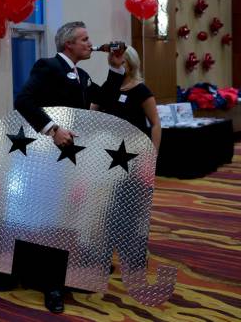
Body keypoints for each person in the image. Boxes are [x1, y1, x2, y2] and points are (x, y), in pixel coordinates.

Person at [13, 21, 126, 314]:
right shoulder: (47, 66)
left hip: (75, 157)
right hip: (49, 156)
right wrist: (52, 129)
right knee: (54, 218)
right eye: (85, 39)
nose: (91, 44)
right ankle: (52, 286)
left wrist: (115, 69)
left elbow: (106, 101)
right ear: (69, 45)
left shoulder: (83, 74)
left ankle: (70, 270)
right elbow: (23, 101)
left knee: (70, 214)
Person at [90, 45, 161, 151]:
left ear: (132, 64)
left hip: (134, 148)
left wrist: (152, 154)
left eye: (122, 63)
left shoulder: (141, 90)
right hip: (108, 148)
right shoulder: (108, 86)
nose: (118, 66)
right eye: (114, 63)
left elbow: (155, 123)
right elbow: (92, 111)